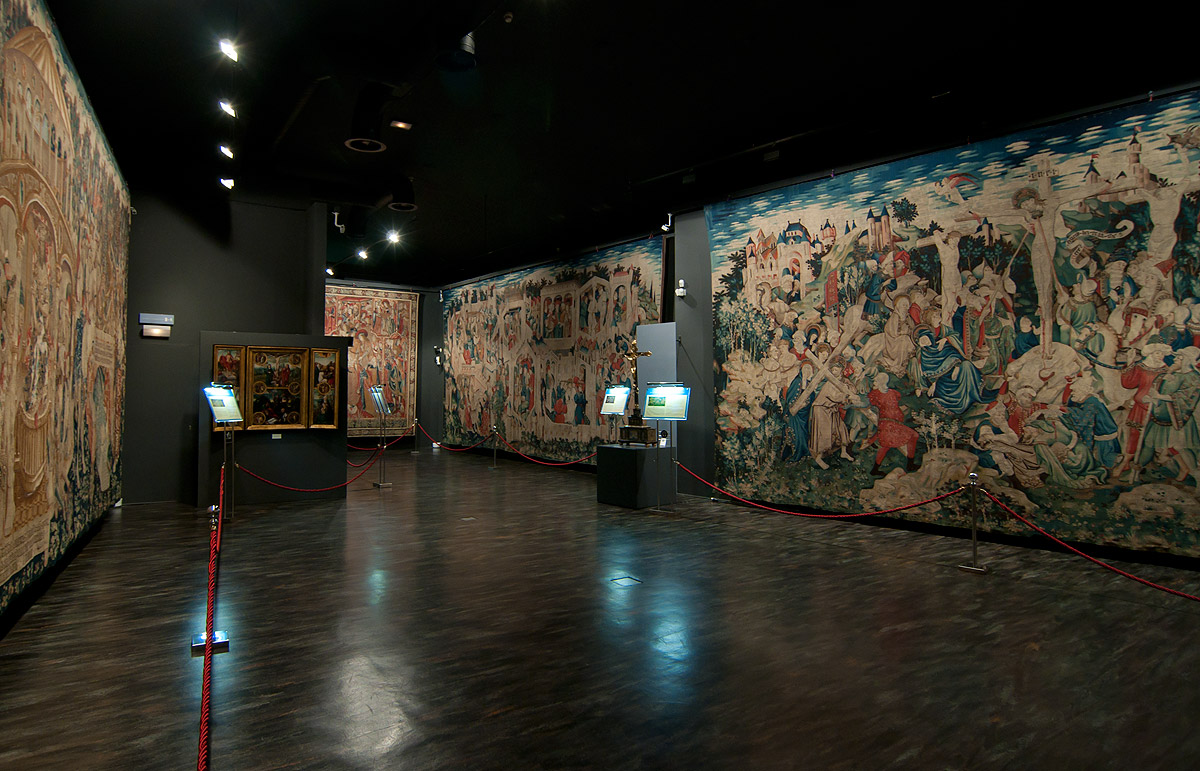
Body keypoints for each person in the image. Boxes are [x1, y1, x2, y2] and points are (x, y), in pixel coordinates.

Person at [866, 372, 918, 475]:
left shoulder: (892, 393)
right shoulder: (875, 394)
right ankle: (909, 464)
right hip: (886, 423)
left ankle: (910, 464)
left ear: (882, 382)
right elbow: (871, 404)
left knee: (911, 437)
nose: (874, 382)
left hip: (895, 423)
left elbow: (895, 406)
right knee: (888, 444)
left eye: (876, 380)